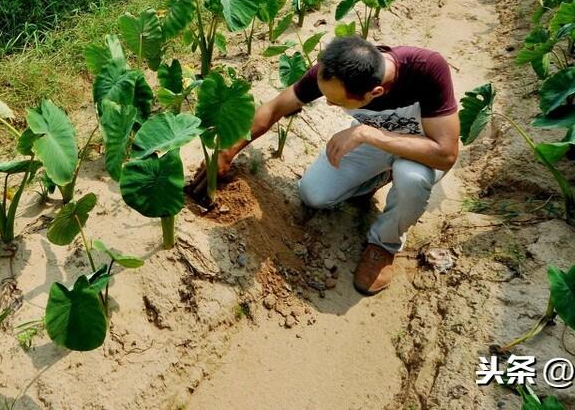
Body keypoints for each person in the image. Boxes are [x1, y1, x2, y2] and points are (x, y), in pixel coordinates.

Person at [187, 35, 460, 295]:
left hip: (422, 152)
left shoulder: (426, 69)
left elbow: (445, 153)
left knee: (410, 177)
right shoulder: (334, 70)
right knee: (314, 194)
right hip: (373, 143)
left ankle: (383, 244)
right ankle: (378, 178)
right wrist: (227, 152)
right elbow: (274, 108)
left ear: (375, 92)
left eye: (336, 101)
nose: (328, 103)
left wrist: (367, 134)